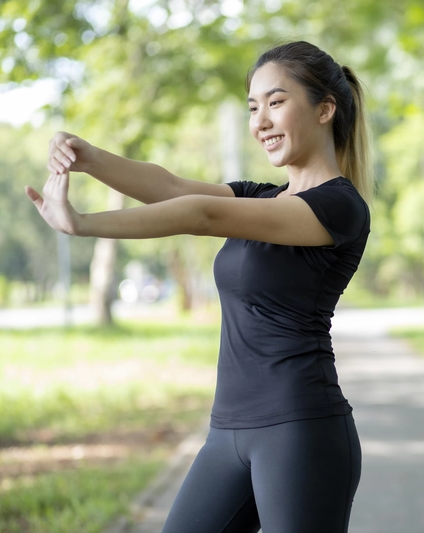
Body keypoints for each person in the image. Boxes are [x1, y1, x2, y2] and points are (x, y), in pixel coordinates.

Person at [29, 41, 372, 533]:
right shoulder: (263, 197)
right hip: (226, 432)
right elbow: (171, 188)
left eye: (276, 102)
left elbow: (201, 214)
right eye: (253, 108)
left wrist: (82, 222)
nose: (260, 122)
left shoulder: (339, 206)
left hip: (299, 431)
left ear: (325, 109)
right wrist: (89, 157)